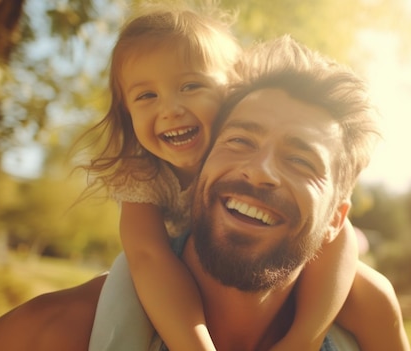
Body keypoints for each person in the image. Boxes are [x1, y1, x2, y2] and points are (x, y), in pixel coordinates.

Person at [0, 36, 411, 351]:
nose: (259, 171)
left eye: (301, 161)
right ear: (199, 164)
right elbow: (146, 255)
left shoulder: (370, 323)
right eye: (239, 140)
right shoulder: (50, 335)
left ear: (337, 217)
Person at [71, 2, 361, 351]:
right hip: (188, 269)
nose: (170, 109)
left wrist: (303, 338)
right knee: (124, 299)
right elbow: (148, 256)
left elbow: (339, 234)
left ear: (230, 97)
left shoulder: (241, 155)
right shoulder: (142, 174)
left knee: (370, 292)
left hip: (283, 253)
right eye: (147, 95)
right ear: (126, 113)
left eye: (190, 87)